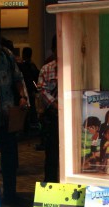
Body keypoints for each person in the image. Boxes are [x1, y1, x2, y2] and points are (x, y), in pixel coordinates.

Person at [0, 20, 29, 203]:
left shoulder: (7, 55)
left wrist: (22, 96)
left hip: (7, 115)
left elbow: (18, 78)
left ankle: (10, 194)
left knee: (10, 158)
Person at [37, 35, 59, 182]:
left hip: (71, 117)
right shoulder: (46, 69)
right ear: (53, 49)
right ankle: (51, 185)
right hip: (53, 117)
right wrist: (55, 105)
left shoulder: (75, 66)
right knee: (51, 154)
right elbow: (42, 90)